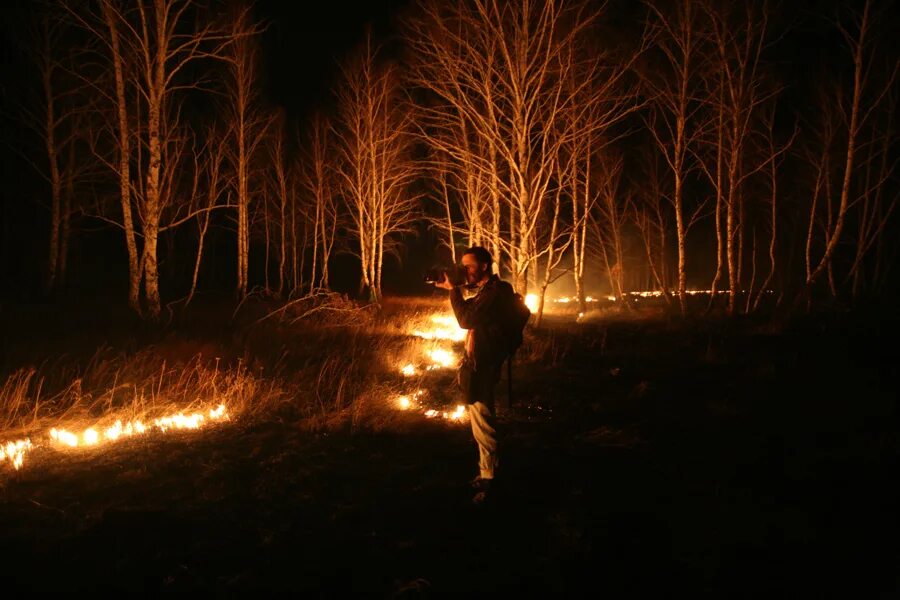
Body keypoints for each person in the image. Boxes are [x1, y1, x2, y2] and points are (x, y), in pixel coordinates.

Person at [433, 246, 515, 504]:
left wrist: (454, 291)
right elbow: (471, 311)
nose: (464, 270)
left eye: (468, 266)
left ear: (483, 266)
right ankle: (486, 471)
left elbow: (466, 319)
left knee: (483, 422)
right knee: (480, 420)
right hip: (478, 363)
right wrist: (454, 287)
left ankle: (490, 477)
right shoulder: (488, 292)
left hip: (484, 366)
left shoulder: (496, 293)